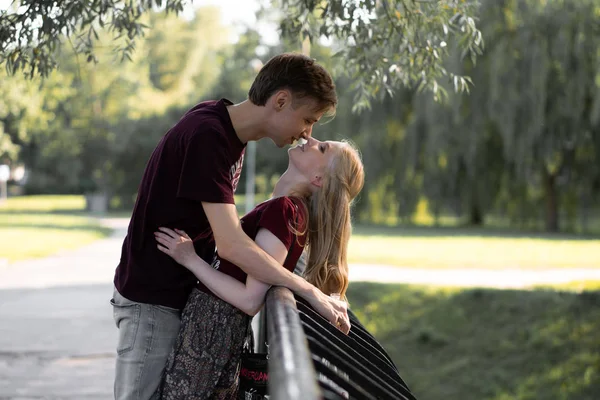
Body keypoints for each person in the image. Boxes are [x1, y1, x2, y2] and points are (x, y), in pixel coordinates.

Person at [110, 53, 351, 400]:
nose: (307, 134)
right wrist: (310, 292)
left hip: (174, 297)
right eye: (308, 119)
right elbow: (232, 245)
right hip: (153, 302)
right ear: (280, 101)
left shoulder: (223, 132)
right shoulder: (208, 136)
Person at [153, 137, 365, 399]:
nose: (310, 138)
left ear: (319, 179)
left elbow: (250, 298)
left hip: (212, 332)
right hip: (215, 330)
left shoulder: (284, 210)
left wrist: (190, 259)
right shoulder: (286, 209)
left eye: (322, 148)